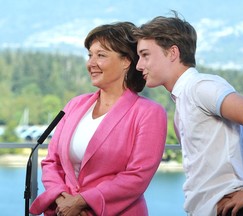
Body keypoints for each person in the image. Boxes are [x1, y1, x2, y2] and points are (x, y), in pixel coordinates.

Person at [133, 12, 243, 216]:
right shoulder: (182, 102)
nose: (139, 65)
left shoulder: (200, 86)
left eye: (145, 55)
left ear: (173, 53)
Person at [29, 22, 167, 216]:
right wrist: (63, 200)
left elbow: (137, 176)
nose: (91, 63)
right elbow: (52, 162)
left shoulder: (149, 112)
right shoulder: (74, 105)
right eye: (90, 55)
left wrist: (82, 202)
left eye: (101, 55)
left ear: (126, 61)